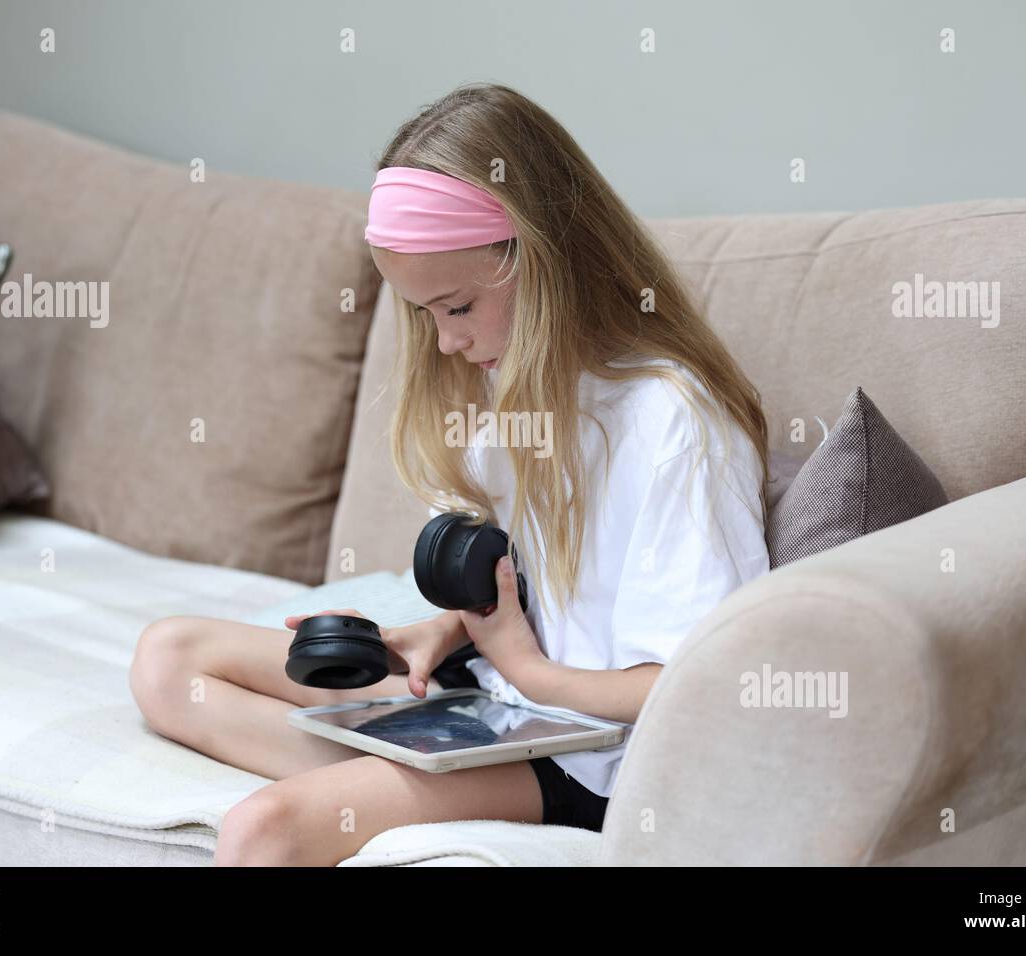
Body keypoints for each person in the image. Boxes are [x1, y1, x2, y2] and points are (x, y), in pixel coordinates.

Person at [128, 82, 771, 866]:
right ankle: (399, 775)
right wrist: (441, 630)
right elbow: (547, 582)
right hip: (501, 699)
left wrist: (525, 667)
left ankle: (388, 784)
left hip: (584, 753)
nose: (444, 343)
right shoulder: (524, 385)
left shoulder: (674, 421)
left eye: (457, 306)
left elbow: (686, 686)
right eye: (425, 314)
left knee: (263, 831)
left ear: (546, 261)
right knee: (170, 659)